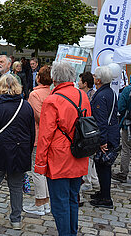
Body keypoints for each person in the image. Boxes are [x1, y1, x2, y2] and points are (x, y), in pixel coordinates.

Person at [35, 61, 91, 236]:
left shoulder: (52, 100)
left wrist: (40, 164)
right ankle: (71, 233)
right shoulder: (83, 95)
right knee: (73, 199)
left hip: (59, 158)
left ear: (54, 78)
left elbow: (45, 136)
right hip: (80, 153)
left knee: (60, 204)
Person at [0, 74, 35, 230]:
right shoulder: (26, 106)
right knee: (16, 186)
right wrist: (27, 151)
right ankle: (16, 219)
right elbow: (31, 134)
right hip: (20, 151)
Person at [23, 66, 52, 215]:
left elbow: (38, 116)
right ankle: (45, 202)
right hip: (48, 136)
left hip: (38, 136)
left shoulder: (35, 94)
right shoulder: (51, 92)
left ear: (39, 78)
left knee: (38, 169)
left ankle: (40, 203)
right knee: (44, 170)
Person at [90, 66, 120, 209]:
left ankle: (106, 198)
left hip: (106, 136)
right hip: (111, 133)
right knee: (102, 166)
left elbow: (101, 120)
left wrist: (102, 141)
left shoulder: (102, 95)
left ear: (99, 80)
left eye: (95, 76)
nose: (94, 78)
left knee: (103, 167)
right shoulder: (110, 92)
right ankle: (102, 193)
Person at [78, 71, 99, 192]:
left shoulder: (91, 95)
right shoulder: (83, 94)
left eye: (80, 81)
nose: (78, 83)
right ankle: (94, 180)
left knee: (89, 156)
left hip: (89, 128)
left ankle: (88, 181)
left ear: (85, 83)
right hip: (85, 128)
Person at [112, 81, 131, 183]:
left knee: (126, 149)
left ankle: (124, 173)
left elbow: (121, 107)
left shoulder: (127, 90)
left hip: (128, 124)